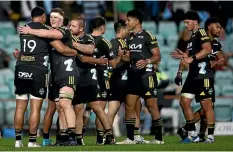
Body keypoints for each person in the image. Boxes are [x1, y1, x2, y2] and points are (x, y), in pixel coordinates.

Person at [15, 7, 77, 148]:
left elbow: (28, 49)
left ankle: (18, 141)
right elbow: (60, 48)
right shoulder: (46, 31)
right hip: (38, 70)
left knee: (19, 107)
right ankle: (32, 141)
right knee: (35, 108)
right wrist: (74, 51)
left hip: (21, 68)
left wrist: (20, 54)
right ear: (43, 17)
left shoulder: (24, 29)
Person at [173, 17, 225, 143]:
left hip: (205, 77)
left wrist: (211, 63)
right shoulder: (195, 39)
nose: (220, 29)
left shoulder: (216, 44)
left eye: (220, 27)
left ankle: (205, 135)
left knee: (205, 108)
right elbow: (187, 57)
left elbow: (221, 60)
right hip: (193, 76)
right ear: (209, 27)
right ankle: (192, 132)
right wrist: (180, 71)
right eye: (217, 26)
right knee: (185, 102)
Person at [117, 9, 163, 144]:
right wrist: (122, 56)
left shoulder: (148, 36)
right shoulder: (129, 38)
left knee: (152, 106)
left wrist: (147, 61)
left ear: (137, 21)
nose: (126, 22)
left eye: (129, 20)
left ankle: (159, 138)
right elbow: (129, 59)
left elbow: (157, 56)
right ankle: (130, 138)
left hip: (147, 75)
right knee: (129, 106)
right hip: (133, 76)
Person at [69, 16, 116, 145]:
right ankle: (79, 139)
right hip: (76, 78)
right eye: (70, 26)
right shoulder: (70, 38)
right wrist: (97, 61)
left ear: (81, 28)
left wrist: (75, 48)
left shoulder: (89, 38)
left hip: (90, 78)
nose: (70, 28)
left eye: (73, 26)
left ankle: (109, 135)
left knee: (97, 108)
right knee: (78, 109)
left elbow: (86, 56)